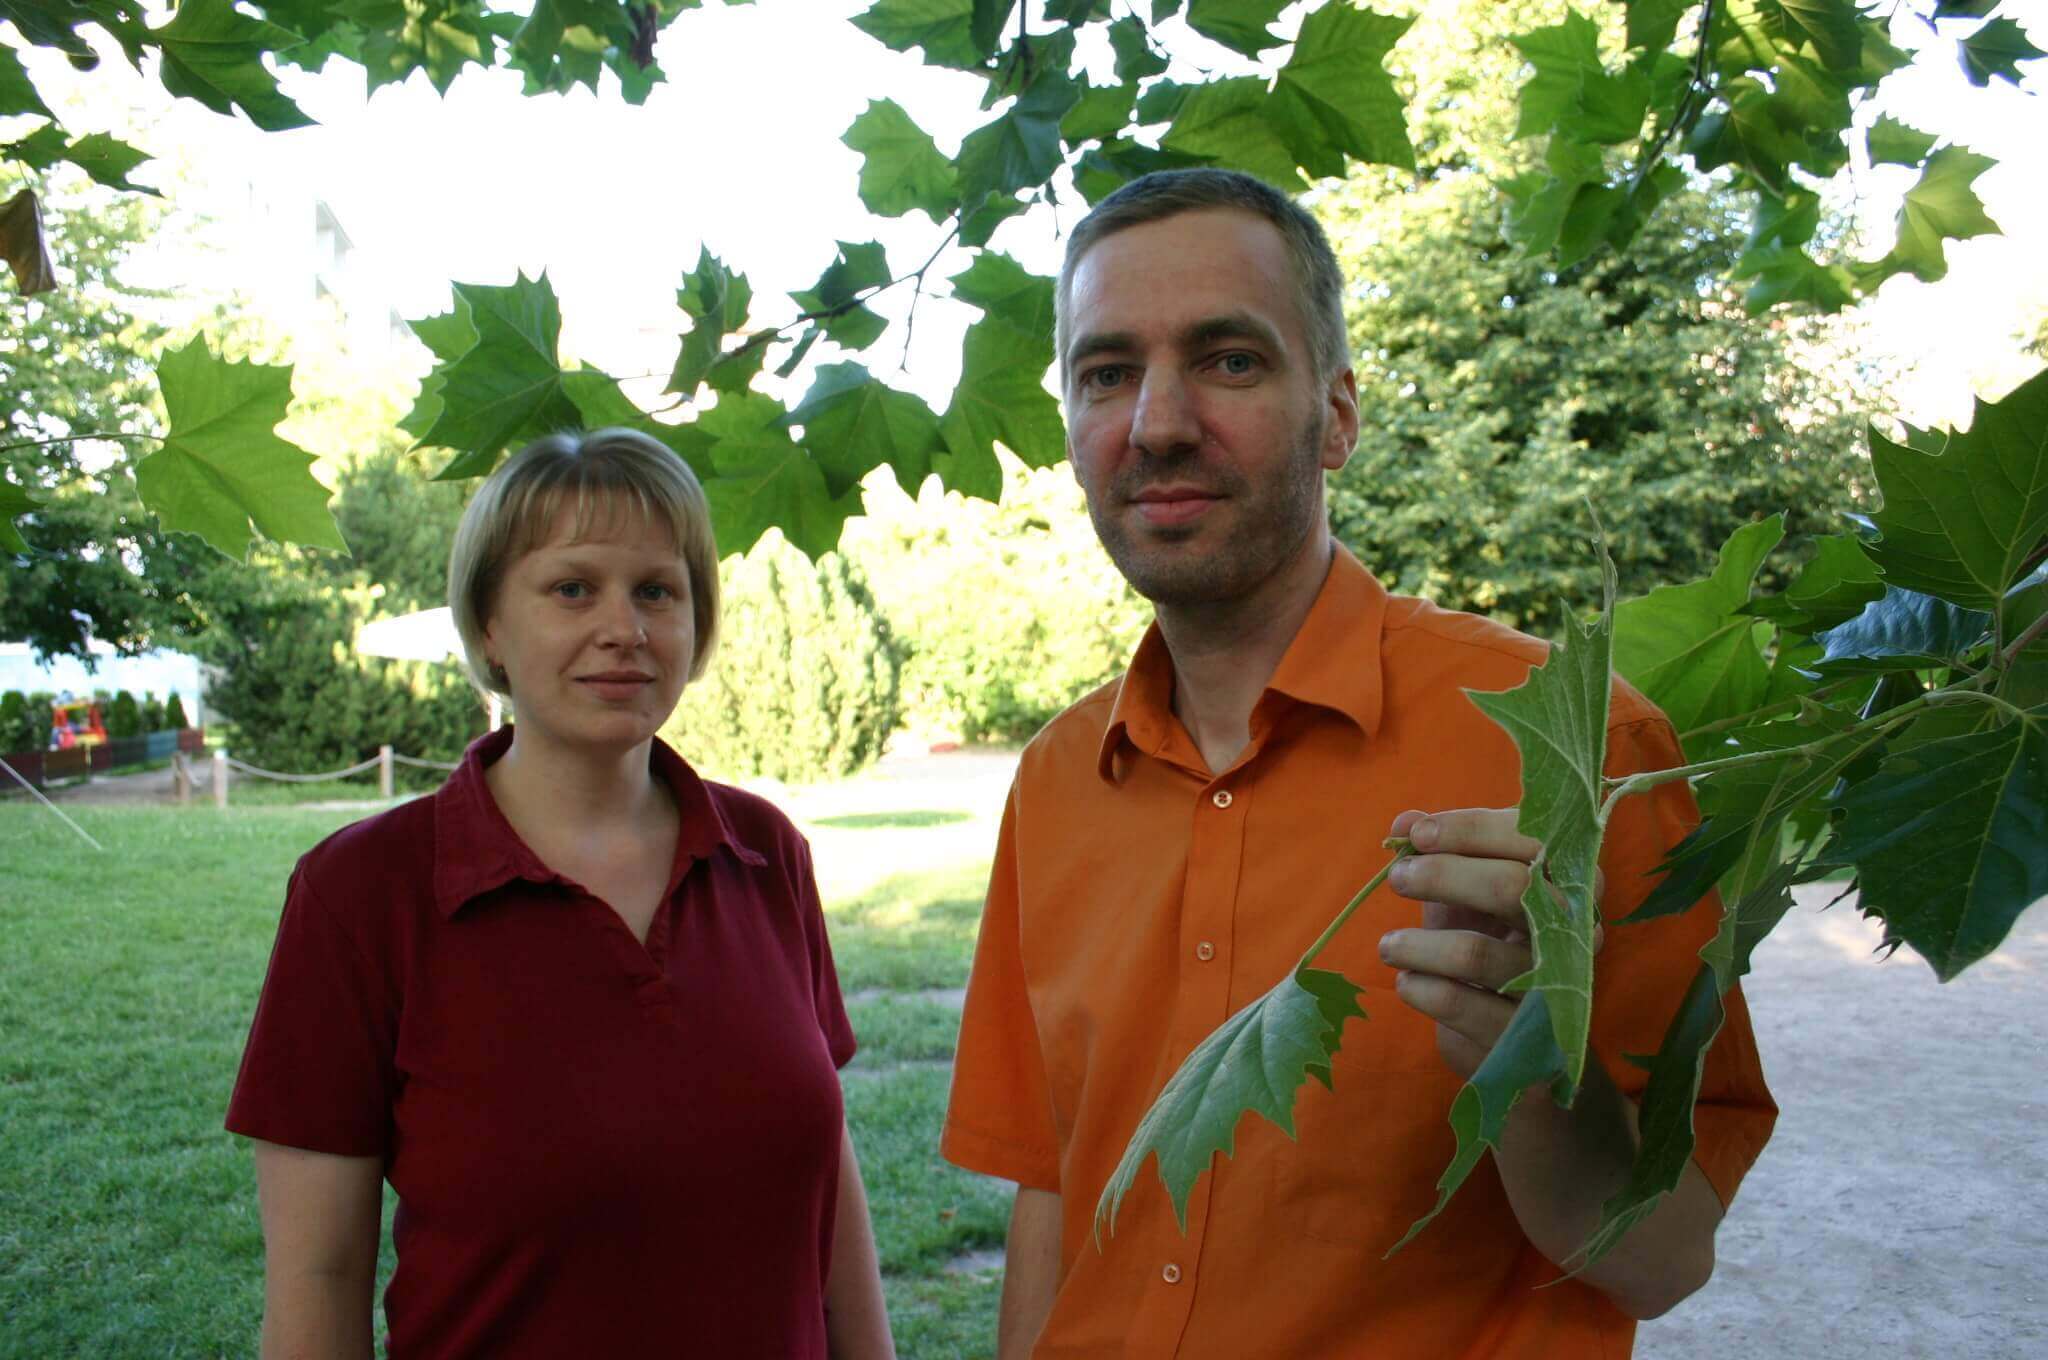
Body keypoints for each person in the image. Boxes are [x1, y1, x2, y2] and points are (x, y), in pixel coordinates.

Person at [940, 169, 1778, 1358]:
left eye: (1228, 359)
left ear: (1335, 415)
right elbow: (1054, 1191)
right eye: (1106, 372)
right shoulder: (1058, 778)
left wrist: (1535, 1065)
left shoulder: (1578, 748)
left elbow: (1663, 1258)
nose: (1157, 421)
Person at [226, 429, 895, 1359]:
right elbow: (318, 1279)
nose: (624, 627)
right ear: (491, 626)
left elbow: (830, 1192)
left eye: (657, 590)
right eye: (573, 587)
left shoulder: (764, 853)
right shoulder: (361, 892)